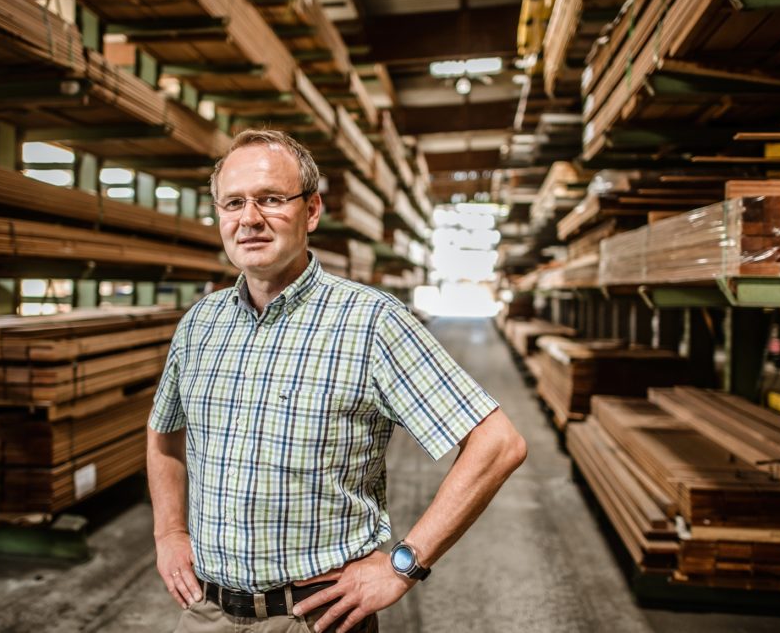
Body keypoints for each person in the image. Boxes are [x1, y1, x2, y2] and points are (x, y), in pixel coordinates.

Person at [147, 129, 527, 633]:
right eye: (233, 202)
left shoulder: (371, 322)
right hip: (206, 612)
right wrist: (170, 531)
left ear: (312, 211)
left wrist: (403, 565)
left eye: (272, 199)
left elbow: (498, 444)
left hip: (318, 617)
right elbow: (164, 432)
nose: (250, 218)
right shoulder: (200, 324)